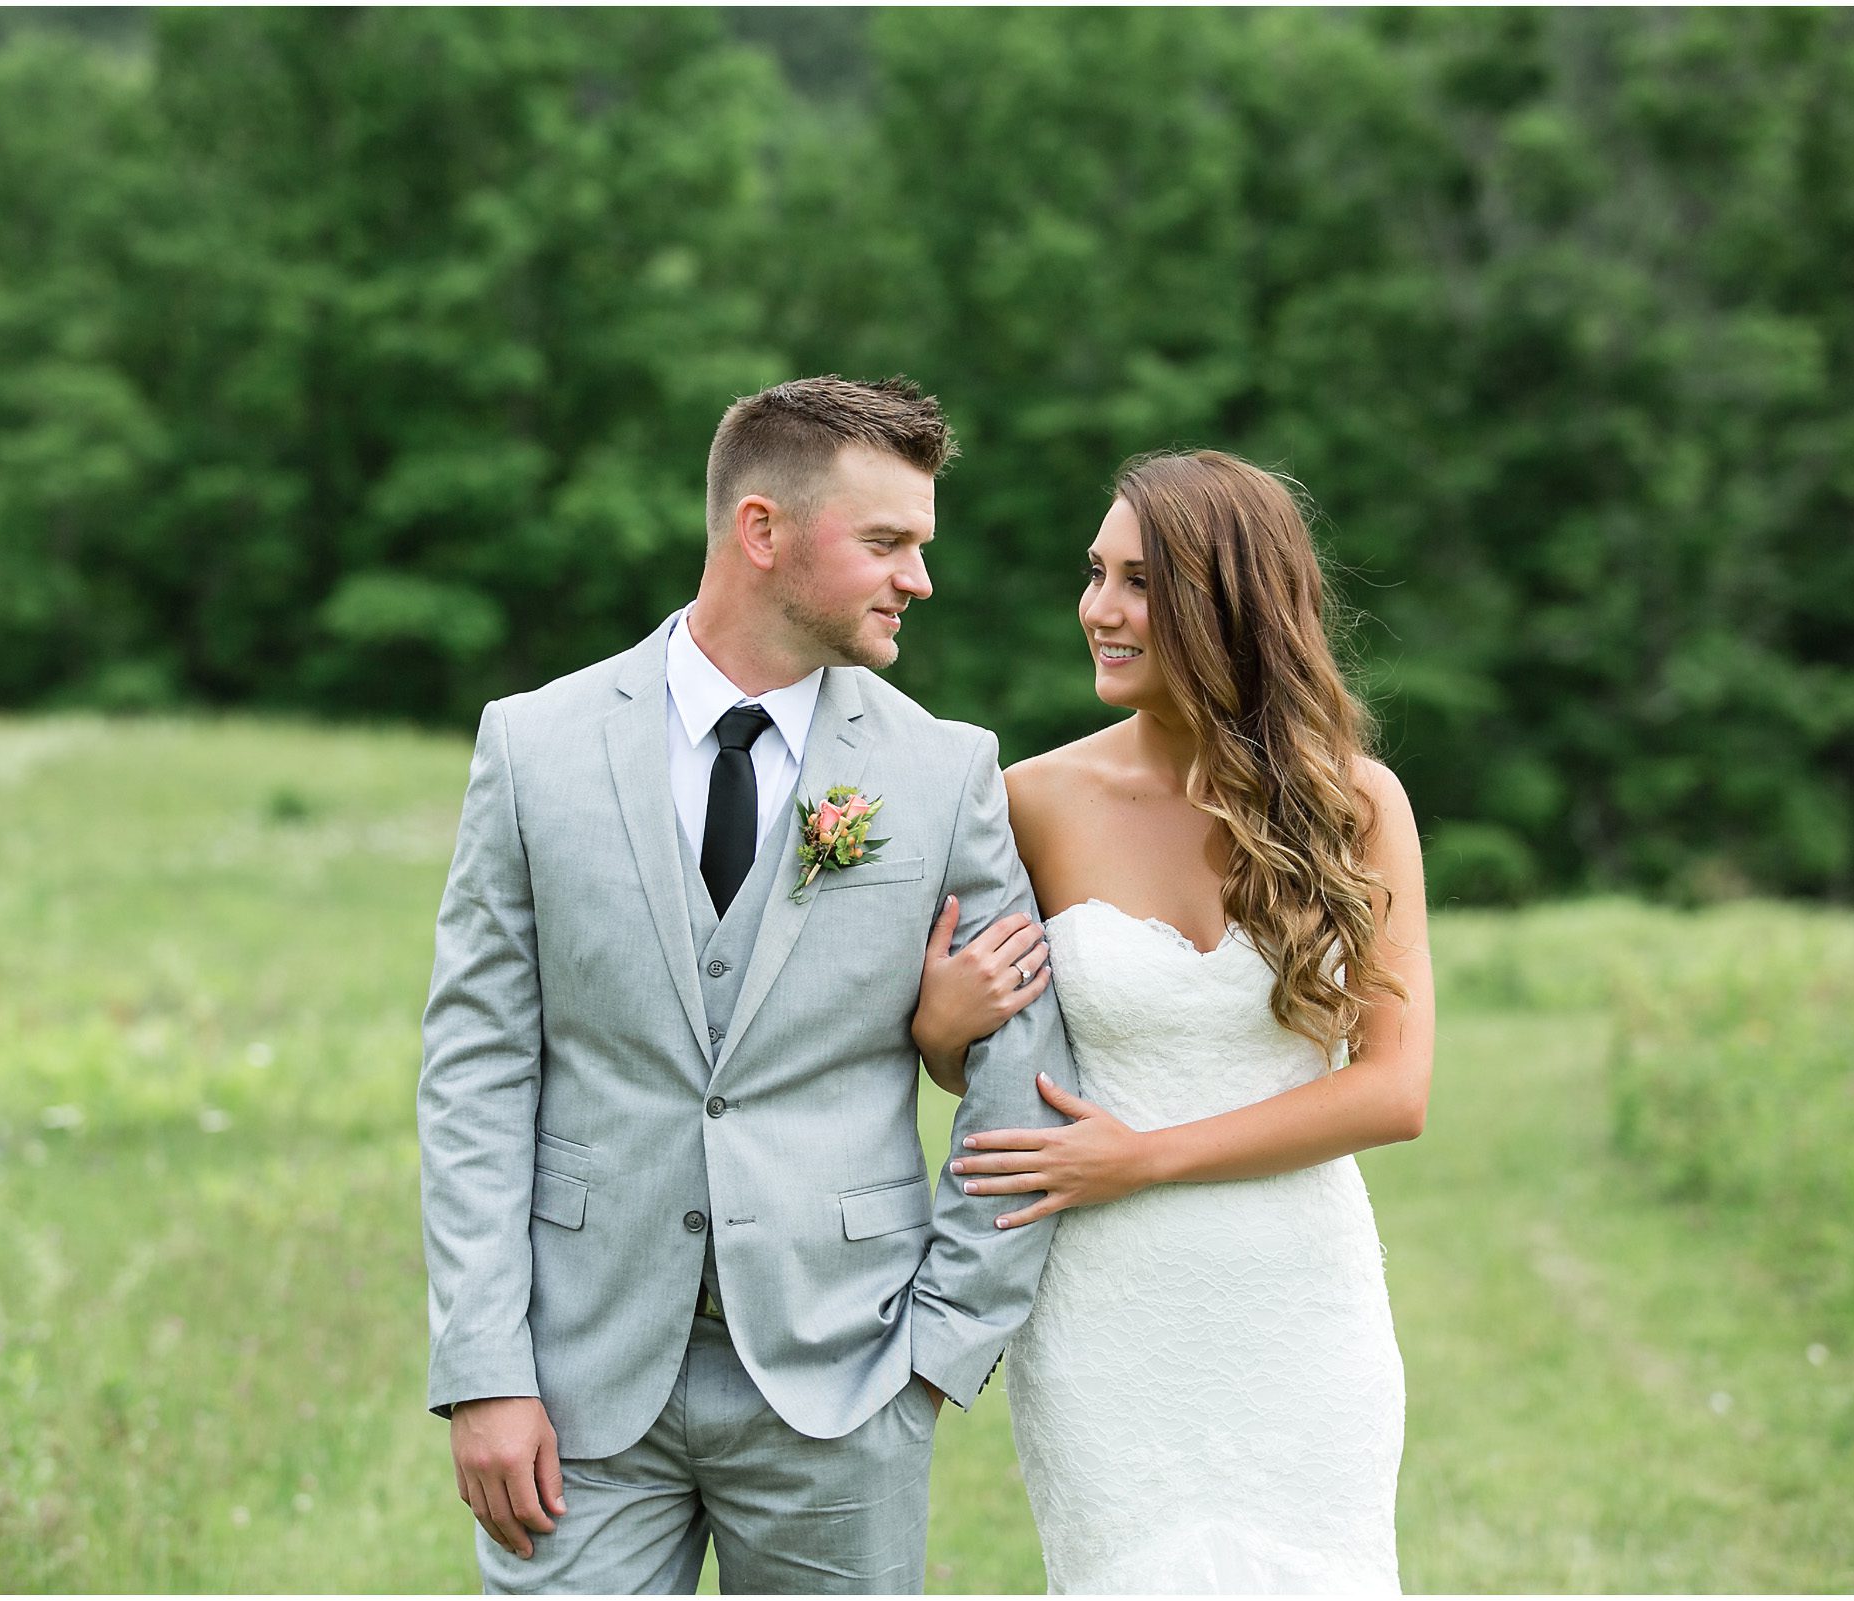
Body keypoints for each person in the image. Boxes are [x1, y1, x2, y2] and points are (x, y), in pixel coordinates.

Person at [416, 375, 1078, 1594]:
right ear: (762, 531)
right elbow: (476, 1070)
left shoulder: (943, 773)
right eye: (887, 541)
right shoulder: (534, 744)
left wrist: (939, 1343)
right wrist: (485, 1367)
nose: (918, 579)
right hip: (575, 1380)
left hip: (848, 1374)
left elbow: (1025, 1080)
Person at [910, 449, 1433, 1593]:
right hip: (1108, 1310)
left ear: (1228, 602)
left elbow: (1394, 1091)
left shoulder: (1355, 802)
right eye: (1096, 573)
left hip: (1302, 1296)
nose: (1101, 608)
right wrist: (944, 1028)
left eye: (1140, 582)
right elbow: (989, 1054)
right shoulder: (1031, 802)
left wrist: (1143, 1156)